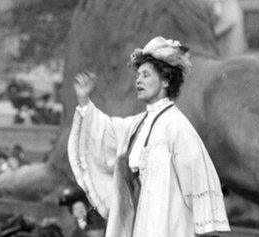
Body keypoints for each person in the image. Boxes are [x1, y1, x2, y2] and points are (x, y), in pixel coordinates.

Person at [68, 37, 230, 237]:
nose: (138, 80)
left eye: (146, 75)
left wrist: (205, 230)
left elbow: (198, 178)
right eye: (137, 75)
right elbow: (107, 131)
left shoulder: (177, 126)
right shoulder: (139, 123)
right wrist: (84, 100)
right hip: (142, 220)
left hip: (169, 223)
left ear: (165, 80)